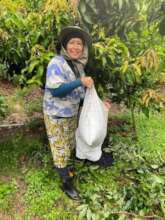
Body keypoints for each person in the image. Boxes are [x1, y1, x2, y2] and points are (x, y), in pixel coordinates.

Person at [43, 26, 113, 200]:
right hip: (57, 116)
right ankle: (66, 183)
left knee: (70, 144)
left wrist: (100, 104)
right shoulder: (56, 63)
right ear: (65, 46)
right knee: (60, 150)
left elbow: (81, 96)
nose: (76, 47)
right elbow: (56, 91)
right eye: (72, 43)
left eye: (79, 44)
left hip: (72, 114)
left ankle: (69, 169)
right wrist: (80, 82)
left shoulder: (77, 66)